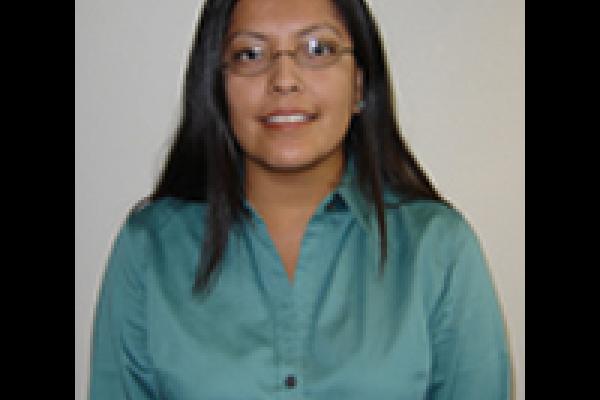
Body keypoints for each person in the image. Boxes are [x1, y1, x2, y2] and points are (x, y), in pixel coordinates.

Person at [89, 0, 511, 398]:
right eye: (250, 54)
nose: (284, 80)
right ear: (218, 86)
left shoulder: (438, 252)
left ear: (360, 82)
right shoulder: (149, 251)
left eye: (317, 48)